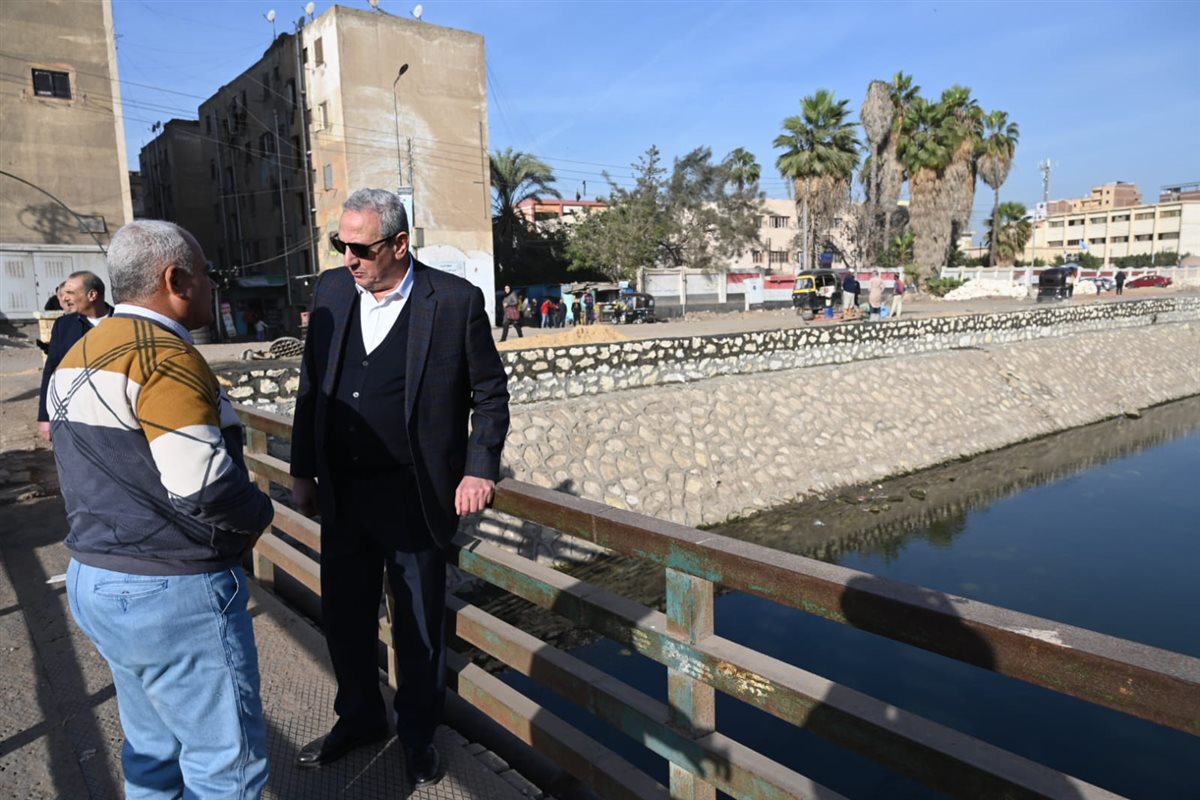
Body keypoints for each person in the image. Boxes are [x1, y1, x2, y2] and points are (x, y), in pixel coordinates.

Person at [290, 188, 509, 788]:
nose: (349, 259)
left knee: (416, 627)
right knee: (346, 618)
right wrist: (303, 469)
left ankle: (417, 736)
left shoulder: (453, 301)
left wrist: (480, 466)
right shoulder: (333, 292)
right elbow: (311, 386)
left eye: (361, 248)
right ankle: (360, 719)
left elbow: (490, 393)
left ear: (399, 244)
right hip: (343, 492)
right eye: (341, 245)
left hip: (414, 494)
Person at [50, 221, 273, 798]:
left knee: (152, 751)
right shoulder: (163, 358)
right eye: (207, 275)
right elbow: (203, 485)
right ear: (175, 279)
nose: (212, 286)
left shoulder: (78, 352)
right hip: (169, 589)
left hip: (95, 575)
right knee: (226, 765)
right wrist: (260, 515)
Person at [38, 271, 115, 441]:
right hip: (75, 417)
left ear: (92, 295)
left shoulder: (123, 322)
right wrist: (44, 416)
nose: (64, 298)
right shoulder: (63, 326)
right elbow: (51, 370)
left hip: (117, 416)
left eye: (70, 293)